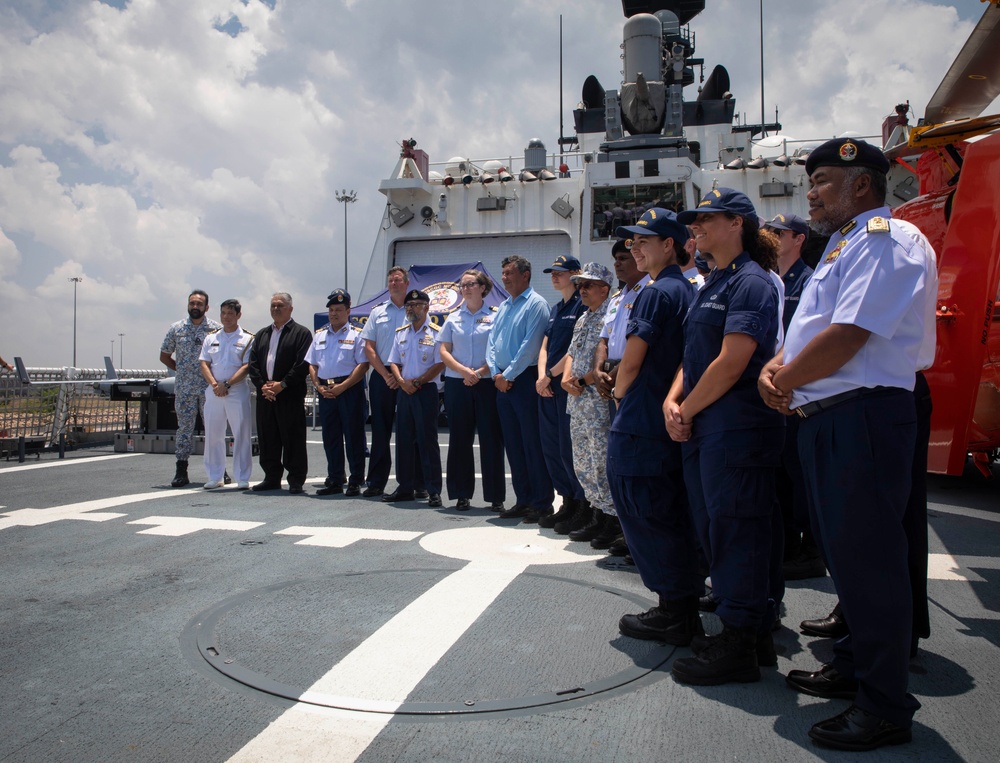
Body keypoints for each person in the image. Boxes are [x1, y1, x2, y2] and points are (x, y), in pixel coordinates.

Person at [758, 137, 932, 751]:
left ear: (862, 185)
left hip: (863, 418)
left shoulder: (887, 240)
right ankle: (857, 666)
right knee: (847, 560)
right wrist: (773, 371)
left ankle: (884, 706)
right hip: (828, 417)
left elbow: (851, 332)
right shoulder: (843, 247)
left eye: (823, 180)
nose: (810, 191)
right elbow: (806, 330)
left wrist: (782, 379)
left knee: (872, 564)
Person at [665, 188, 784, 686]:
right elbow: (693, 355)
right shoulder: (714, 282)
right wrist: (674, 401)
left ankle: (740, 641)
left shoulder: (752, 284)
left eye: (705, 220)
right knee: (717, 527)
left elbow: (732, 361)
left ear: (737, 224)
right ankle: (748, 637)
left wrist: (685, 408)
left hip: (736, 427)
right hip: (706, 426)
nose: (695, 229)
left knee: (738, 530)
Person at [606, 208, 701, 644]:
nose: (635, 248)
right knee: (669, 510)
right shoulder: (688, 290)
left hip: (643, 416)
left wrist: (620, 392)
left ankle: (675, 610)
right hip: (668, 416)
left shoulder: (655, 292)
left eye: (645, 241)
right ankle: (681, 601)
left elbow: (633, 357)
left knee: (642, 505)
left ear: (670, 245)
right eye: (633, 242)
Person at [763, 213, 823, 581]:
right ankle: (788, 545)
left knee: (804, 477)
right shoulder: (770, 281)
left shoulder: (810, 280)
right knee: (780, 475)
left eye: (778, 233)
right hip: (773, 392)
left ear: (798, 239)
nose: (771, 237)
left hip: (799, 392)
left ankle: (812, 550)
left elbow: (809, 340)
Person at [485, 255, 553, 521]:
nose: (504, 277)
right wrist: (495, 373)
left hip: (523, 381)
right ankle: (523, 499)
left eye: (509, 273)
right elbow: (492, 342)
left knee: (531, 444)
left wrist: (507, 374)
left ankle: (541, 502)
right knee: (513, 445)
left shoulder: (537, 305)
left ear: (525, 275)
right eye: (502, 273)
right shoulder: (503, 306)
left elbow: (531, 346)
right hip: (502, 382)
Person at [436, 270, 505, 511]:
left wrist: (481, 371)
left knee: (491, 439)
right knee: (459, 439)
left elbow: (500, 349)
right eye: (462, 285)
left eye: (471, 284)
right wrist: (465, 371)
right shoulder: (453, 318)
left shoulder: (496, 316)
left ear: (483, 288)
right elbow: (444, 350)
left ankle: (496, 496)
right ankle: (461, 494)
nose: (465, 288)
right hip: (458, 383)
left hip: (487, 383)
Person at [560, 263, 616, 543]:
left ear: (604, 289)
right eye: (580, 284)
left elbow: (607, 361)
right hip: (578, 402)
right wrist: (567, 378)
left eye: (588, 285)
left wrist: (581, 382)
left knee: (601, 461)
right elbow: (572, 352)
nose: (582, 289)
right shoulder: (583, 318)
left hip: (597, 402)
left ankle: (611, 519)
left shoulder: (610, 316)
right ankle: (596, 513)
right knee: (582, 461)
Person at [359, 267, 424, 498]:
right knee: (380, 429)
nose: (394, 283)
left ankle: (417, 483)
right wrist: (386, 375)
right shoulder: (377, 312)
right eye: (390, 280)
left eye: (398, 280)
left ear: (407, 283)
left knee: (413, 430)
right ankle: (376, 482)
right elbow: (369, 347)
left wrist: (399, 376)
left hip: (410, 374)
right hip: (382, 374)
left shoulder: (416, 308)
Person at [536, 255, 586, 527]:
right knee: (552, 447)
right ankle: (566, 500)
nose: (554, 276)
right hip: (548, 385)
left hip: (566, 385)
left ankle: (581, 504)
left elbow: (574, 350)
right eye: (552, 272)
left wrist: (549, 376)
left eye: (560, 272)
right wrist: (542, 376)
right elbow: (544, 346)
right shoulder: (556, 309)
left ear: (576, 274)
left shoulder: (581, 306)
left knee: (570, 446)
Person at [383, 289, 444, 507]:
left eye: (416, 305)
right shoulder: (401, 333)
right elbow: (393, 361)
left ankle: (433, 489)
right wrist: (401, 381)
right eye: (408, 305)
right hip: (404, 391)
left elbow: (440, 363)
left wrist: (418, 382)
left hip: (425, 391)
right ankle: (405, 487)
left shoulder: (436, 332)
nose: (411, 308)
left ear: (427, 307)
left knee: (427, 441)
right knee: (404, 441)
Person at [247, 292, 313, 494]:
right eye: (273, 305)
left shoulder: (302, 333)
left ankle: (295, 480)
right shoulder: (262, 334)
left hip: (289, 396)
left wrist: (282, 385)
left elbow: (302, 364)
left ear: (290, 309)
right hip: (266, 396)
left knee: (293, 438)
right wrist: (263, 386)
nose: (276, 309)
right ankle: (271, 477)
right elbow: (253, 364)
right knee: (268, 438)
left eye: (280, 305)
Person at [305, 289, 369, 497]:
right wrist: (318, 386)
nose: (334, 314)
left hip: (349, 390)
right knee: (330, 437)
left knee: (353, 437)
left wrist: (344, 386)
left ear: (348, 311)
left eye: (339, 310)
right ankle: (334, 478)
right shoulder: (320, 335)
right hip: (325, 390)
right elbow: (312, 364)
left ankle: (356, 480)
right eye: (331, 310)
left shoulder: (357, 334)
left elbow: (363, 365)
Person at [160, 290, 222, 487]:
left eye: (199, 304)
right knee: (184, 429)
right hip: (185, 388)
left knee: (213, 429)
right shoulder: (176, 328)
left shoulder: (216, 329)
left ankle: (220, 470)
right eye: (192, 303)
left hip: (209, 388)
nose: (195, 307)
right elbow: (164, 355)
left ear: (206, 307)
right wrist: (183, 370)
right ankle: (181, 470)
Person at [198, 299, 253, 490]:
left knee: (241, 434)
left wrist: (227, 384)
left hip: (236, 390)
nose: (226, 317)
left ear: (238, 315)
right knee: (213, 433)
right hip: (214, 391)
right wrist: (215, 384)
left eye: (230, 313)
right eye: (223, 313)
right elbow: (204, 363)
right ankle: (215, 475)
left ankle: (242, 476)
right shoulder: (211, 338)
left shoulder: (247, 339)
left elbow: (247, 366)